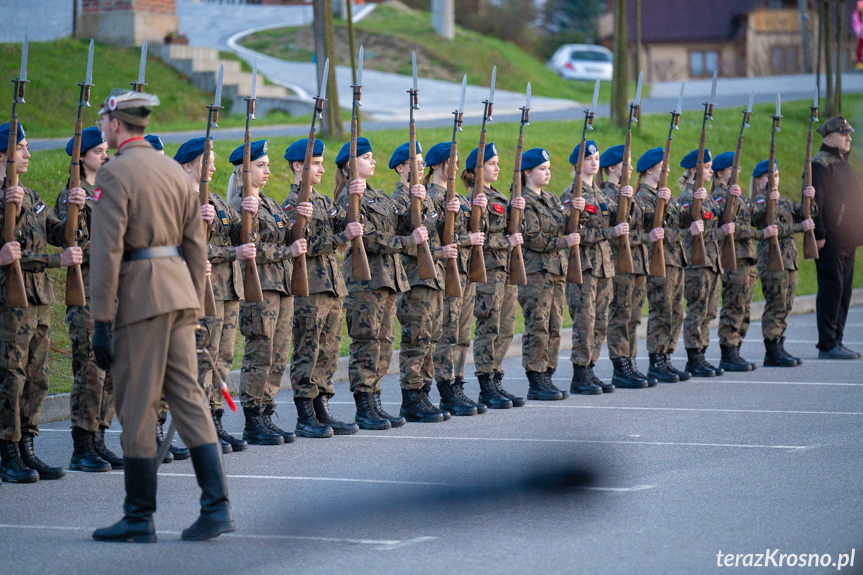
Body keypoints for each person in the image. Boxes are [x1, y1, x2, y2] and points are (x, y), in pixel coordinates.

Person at [90, 88, 232, 542]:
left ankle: (139, 517)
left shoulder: (114, 173)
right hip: (179, 293)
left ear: (116, 124)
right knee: (189, 399)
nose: (102, 129)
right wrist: (197, 299)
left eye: (104, 122)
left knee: (136, 403)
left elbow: (107, 251)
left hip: (141, 298)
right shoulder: (173, 170)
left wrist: (100, 319)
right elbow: (196, 244)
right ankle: (216, 508)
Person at [0, 122, 83, 484]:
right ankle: (7, 450)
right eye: (21, 148)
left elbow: (57, 233)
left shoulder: (31, 196)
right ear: (3, 156)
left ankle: (27, 448)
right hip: (8, 300)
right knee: (11, 376)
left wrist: (74, 209)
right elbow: (18, 254)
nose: (28, 154)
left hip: (38, 299)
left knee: (37, 375)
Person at [335, 138, 426, 430]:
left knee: (384, 342)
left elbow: (400, 223)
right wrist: (408, 242)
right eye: (366, 157)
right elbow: (369, 238)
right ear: (351, 165)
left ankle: (375, 401)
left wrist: (416, 199)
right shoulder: (348, 197)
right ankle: (364, 406)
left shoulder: (378, 195)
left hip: (388, 279)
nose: (373, 161)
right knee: (366, 341)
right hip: (365, 281)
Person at [174, 137, 257, 453]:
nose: (213, 165)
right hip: (201, 289)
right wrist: (230, 249)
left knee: (222, 358)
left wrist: (250, 211)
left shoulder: (219, 200)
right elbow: (184, 246)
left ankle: (215, 421)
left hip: (228, 289)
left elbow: (243, 234)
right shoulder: (179, 199)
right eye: (206, 160)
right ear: (187, 164)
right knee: (202, 358)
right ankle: (196, 427)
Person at [228, 140, 309, 443]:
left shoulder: (271, 204)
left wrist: (303, 220)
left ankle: (266, 408)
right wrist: (288, 251)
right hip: (259, 286)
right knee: (260, 350)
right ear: (243, 171)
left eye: (268, 165)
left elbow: (289, 234)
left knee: (278, 352)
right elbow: (250, 248)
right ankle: (252, 416)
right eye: (261, 166)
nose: (267, 171)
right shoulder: (241, 205)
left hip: (282, 285)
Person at [56, 126, 122, 472]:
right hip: (86, 291)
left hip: (112, 291)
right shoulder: (74, 194)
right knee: (90, 369)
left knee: (110, 368)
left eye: (103, 150)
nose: (104, 155)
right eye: (97, 151)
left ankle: (99, 437)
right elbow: (73, 243)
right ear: (81, 157)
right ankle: (82, 445)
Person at [283, 138, 360, 436]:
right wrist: (341, 239)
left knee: (328, 350)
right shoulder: (293, 205)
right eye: (315, 163)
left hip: (331, 286)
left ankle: (322, 409)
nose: (321, 169)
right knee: (308, 349)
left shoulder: (324, 201)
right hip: (309, 288)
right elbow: (302, 246)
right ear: (298, 166)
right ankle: (305, 415)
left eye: (321, 163)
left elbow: (345, 223)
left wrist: (355, 200)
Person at [450, 141, 525, 409]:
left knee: (505, 328)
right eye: (492, 164)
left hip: (506, 270)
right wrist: (509, 242)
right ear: (477, 169)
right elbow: (478, 238)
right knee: (489, 327)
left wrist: (519, 209)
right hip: (488, 272)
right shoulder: (474, 199)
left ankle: (496, 379)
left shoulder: (500, 198)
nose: (498, 168)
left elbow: (517, 232)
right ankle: (486, 384)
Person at [389, 140, 458, 422]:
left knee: (430, 339)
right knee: (415, 341)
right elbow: (399, 242)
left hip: (434, 279)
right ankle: (411, 397)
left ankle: (424, 393)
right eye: (414, 164)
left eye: (421, 163)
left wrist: (448, 208)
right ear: (401, 168)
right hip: (414, 280)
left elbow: (439, 234)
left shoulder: (425, 198)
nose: (420, 168)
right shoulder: (396, 201)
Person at [421, 142, 489, 415]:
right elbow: (433, 237)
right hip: (444, 272)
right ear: (437, 165)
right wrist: (466, 238)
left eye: (459, 160)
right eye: (451, 160)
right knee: (447, 334)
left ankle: (458, 384)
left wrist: (478, 211)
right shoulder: (430, 197)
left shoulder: (458, 197)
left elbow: (478, 232)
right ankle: (446, 388)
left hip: (463, 272)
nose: (458, 165)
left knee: (462, 334)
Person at [562, 141, 628, 394]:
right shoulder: (572, 194)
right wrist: (610, 232)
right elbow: (576, 233)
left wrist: (625, 198)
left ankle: (590, 367)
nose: (594, 162)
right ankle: (580, 373)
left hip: (604, 267)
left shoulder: (601, 194)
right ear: (578, 164)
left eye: (597, 157)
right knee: (585, 322)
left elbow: (622, 218)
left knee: (600, 322)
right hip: (585, 268)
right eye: (589, 159)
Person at [518, 148, 580, 397]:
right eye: (542, 169)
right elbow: (532, 238)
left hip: (556, 271)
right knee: (538, 325)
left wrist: (578, 210)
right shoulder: (523, 201)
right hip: (535, 272)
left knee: (554, 324)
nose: (547, 173)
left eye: (549, 168)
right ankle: (536, 378)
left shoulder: (552, 199)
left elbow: (566, 225)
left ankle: (548, 374)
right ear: (528, 172)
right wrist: (563, 242)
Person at [751, 160, 816, 367]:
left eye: (777, 176)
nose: (774, 180)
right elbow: (773, 226)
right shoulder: (759, 202)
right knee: (776, 303)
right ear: (760, 179)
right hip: (772, 259)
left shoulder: (784, 202)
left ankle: (779, 344)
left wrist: (809, 197)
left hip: (789, 260)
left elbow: (807, 212)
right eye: (770, 176)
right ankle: (771, 349)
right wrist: (800, 227)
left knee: (786, 303)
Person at [601, 144, 656, 389]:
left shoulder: (630, 194)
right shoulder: (607, 196)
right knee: (621, 315)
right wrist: (646, 238)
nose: (631, 168)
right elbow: (620, 234)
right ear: (613, 168)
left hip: (637, 263)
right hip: (621, 263)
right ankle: (620, 365)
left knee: (633, 316)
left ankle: (631, 361)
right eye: (626, 163)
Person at [636, 147, 692, 383]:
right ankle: (656, 360)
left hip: (675, 260)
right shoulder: (643, 198)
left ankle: (667, 357)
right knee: (662, 310)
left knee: (676, 311)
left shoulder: (664, 196)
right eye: (663, 168)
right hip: (658, 262)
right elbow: (652, 231)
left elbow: (683, 223)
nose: (667, 172)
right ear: (650, 170)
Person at [677, 149, 735, 377]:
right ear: (694, 170)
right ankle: (694, 357)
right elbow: (686, 232)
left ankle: (702, 353)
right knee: (697, 310)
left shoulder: (707, 197)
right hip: (696, 263)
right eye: (707, 167)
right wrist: (719, 232)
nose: (711, 171)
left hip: (712, 262)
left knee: (709, 311)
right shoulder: (686, 198)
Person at [812, 116, 863, 359]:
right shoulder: (821, 163)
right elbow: (816, 202)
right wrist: (819, 233)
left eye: (849, 134)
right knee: (832, 290)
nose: (849, 138)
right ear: (830, 137)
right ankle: (828, 343)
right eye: (845, 134)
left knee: (844, 292)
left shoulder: (841, 161)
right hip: (830, 241)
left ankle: (837, 340)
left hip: (847, 240)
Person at [710, 151, 759, 372]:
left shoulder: (736, 194)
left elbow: (755, 215)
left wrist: (741, 198)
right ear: (721, 173)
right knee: (734, 305)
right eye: (732, 169)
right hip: (734, 257)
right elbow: (730, 223)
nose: (737, 173)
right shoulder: (719, 196)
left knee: (744, 306)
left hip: (747, 255)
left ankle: (736, 349)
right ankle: (728, 352)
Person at [854, 1, 863, 70]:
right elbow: (856, 24)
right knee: (859, 48)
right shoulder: (856, 15)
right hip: (860, 35)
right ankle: (859, 62)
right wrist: (858, 31)